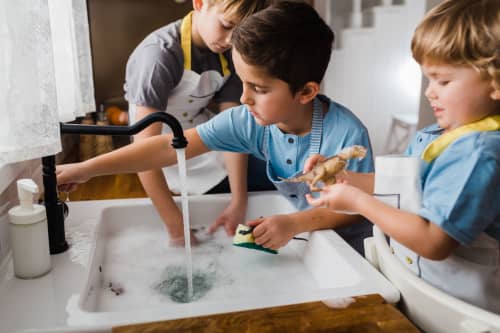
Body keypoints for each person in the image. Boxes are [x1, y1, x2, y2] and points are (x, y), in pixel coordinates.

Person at [57, 1, 375, 255]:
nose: (244, 97)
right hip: (304, 239)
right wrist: (86, 169)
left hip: (350, 253)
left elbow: (354, 209)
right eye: (243, 83)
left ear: (306, 92)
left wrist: (294, 223)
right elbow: (166, 147)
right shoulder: (250, 119)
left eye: (259, 89)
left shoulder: (347, 137)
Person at [306, 0, 500, 313]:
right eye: (428, 78)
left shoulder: (478, 155)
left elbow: (433, 242)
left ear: (495, 83)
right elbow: (405, 186)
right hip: (418, 289)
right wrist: (342, 177)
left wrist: (357, 202)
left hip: (454, 311)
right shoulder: (445, 135)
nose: (429, 91)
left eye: (443, 80)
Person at [124, 0, 271, 246]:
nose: (231, 40)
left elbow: (232, 125)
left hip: (206, 134)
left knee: (275, 177)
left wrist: (238, 202)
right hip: (161, 151)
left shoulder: (232, 51)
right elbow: (144, 156)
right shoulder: (159, 56)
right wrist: (175, 226)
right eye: (226, 25)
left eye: (242, 32)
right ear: (200, 3)